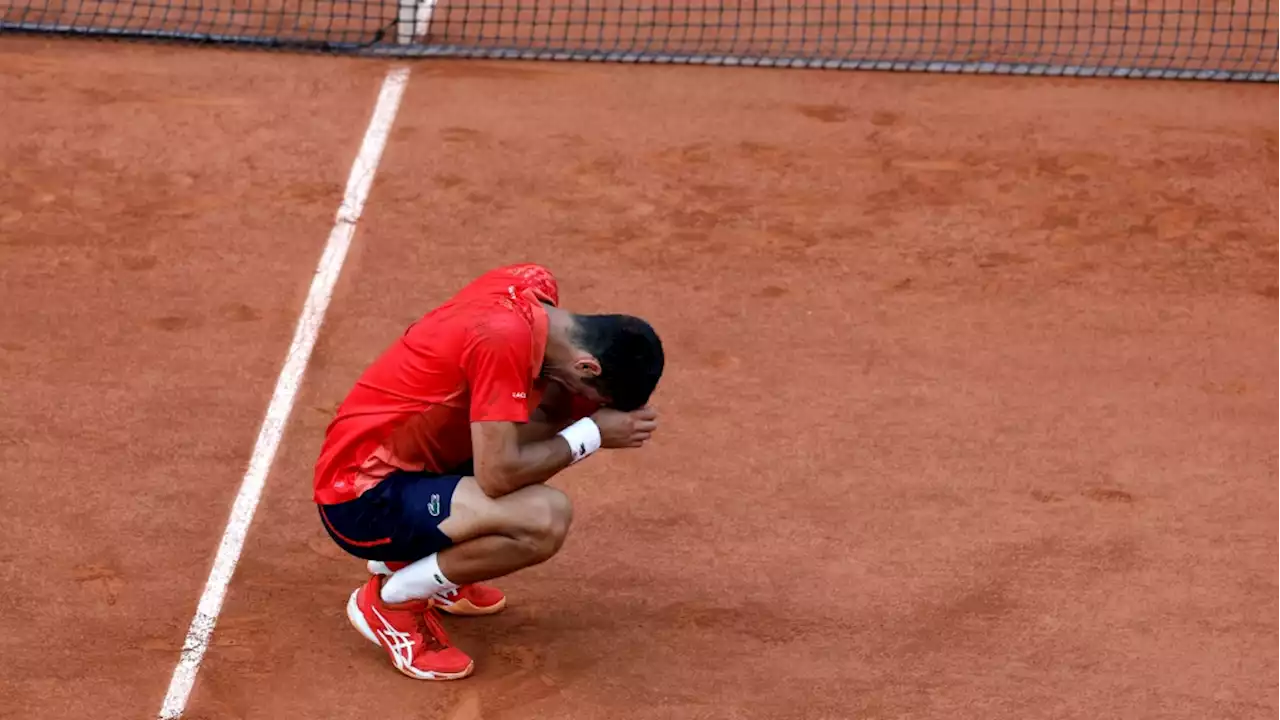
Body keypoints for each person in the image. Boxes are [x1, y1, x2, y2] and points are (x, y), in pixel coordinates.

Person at [312, 263, 664, 680]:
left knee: (546, 424)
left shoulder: (531, 286)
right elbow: (499, 476)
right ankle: (392, 602)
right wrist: (591, 432)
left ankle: (436, 566)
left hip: (418, 460)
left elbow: (534, 425)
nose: (581, 399)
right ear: (587, 366)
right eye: (587, 390)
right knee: (543, 517)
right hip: (362, 496)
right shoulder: (501, 339)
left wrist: (578, 411)